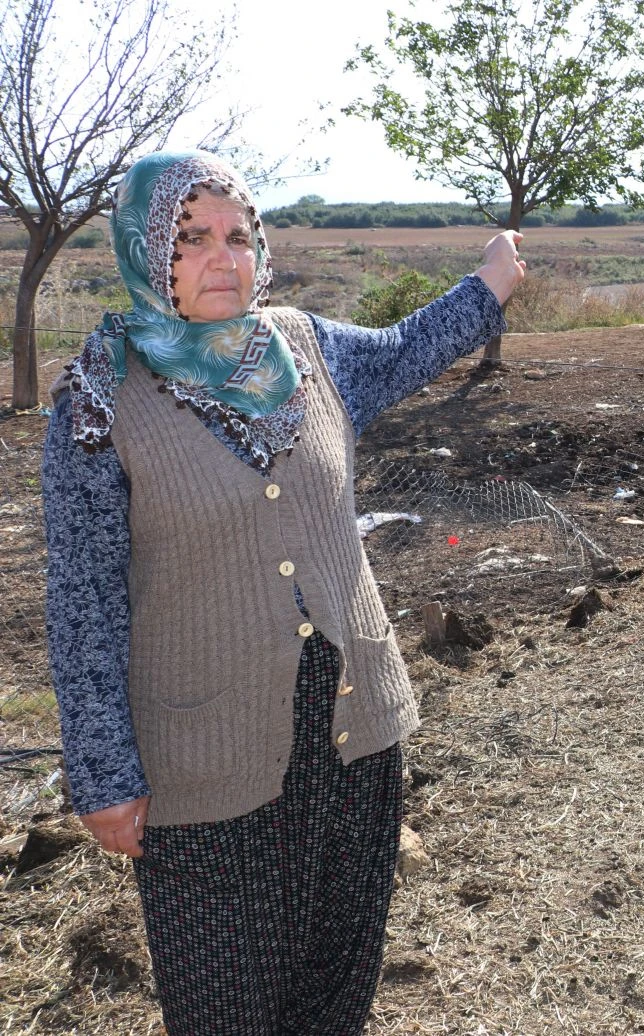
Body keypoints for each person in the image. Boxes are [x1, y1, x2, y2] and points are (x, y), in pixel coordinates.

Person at [41, 149, 525, 1034]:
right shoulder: (97, 402)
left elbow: (410, 348)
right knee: (223, 1003)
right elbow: (82, 603)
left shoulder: (304, 347)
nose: (222, 258)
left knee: (336, 987)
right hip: (202, 758)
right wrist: (104, 773)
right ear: (148, 253)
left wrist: (489, 283)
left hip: (353, 729)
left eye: (238, 235)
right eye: (190, 239)